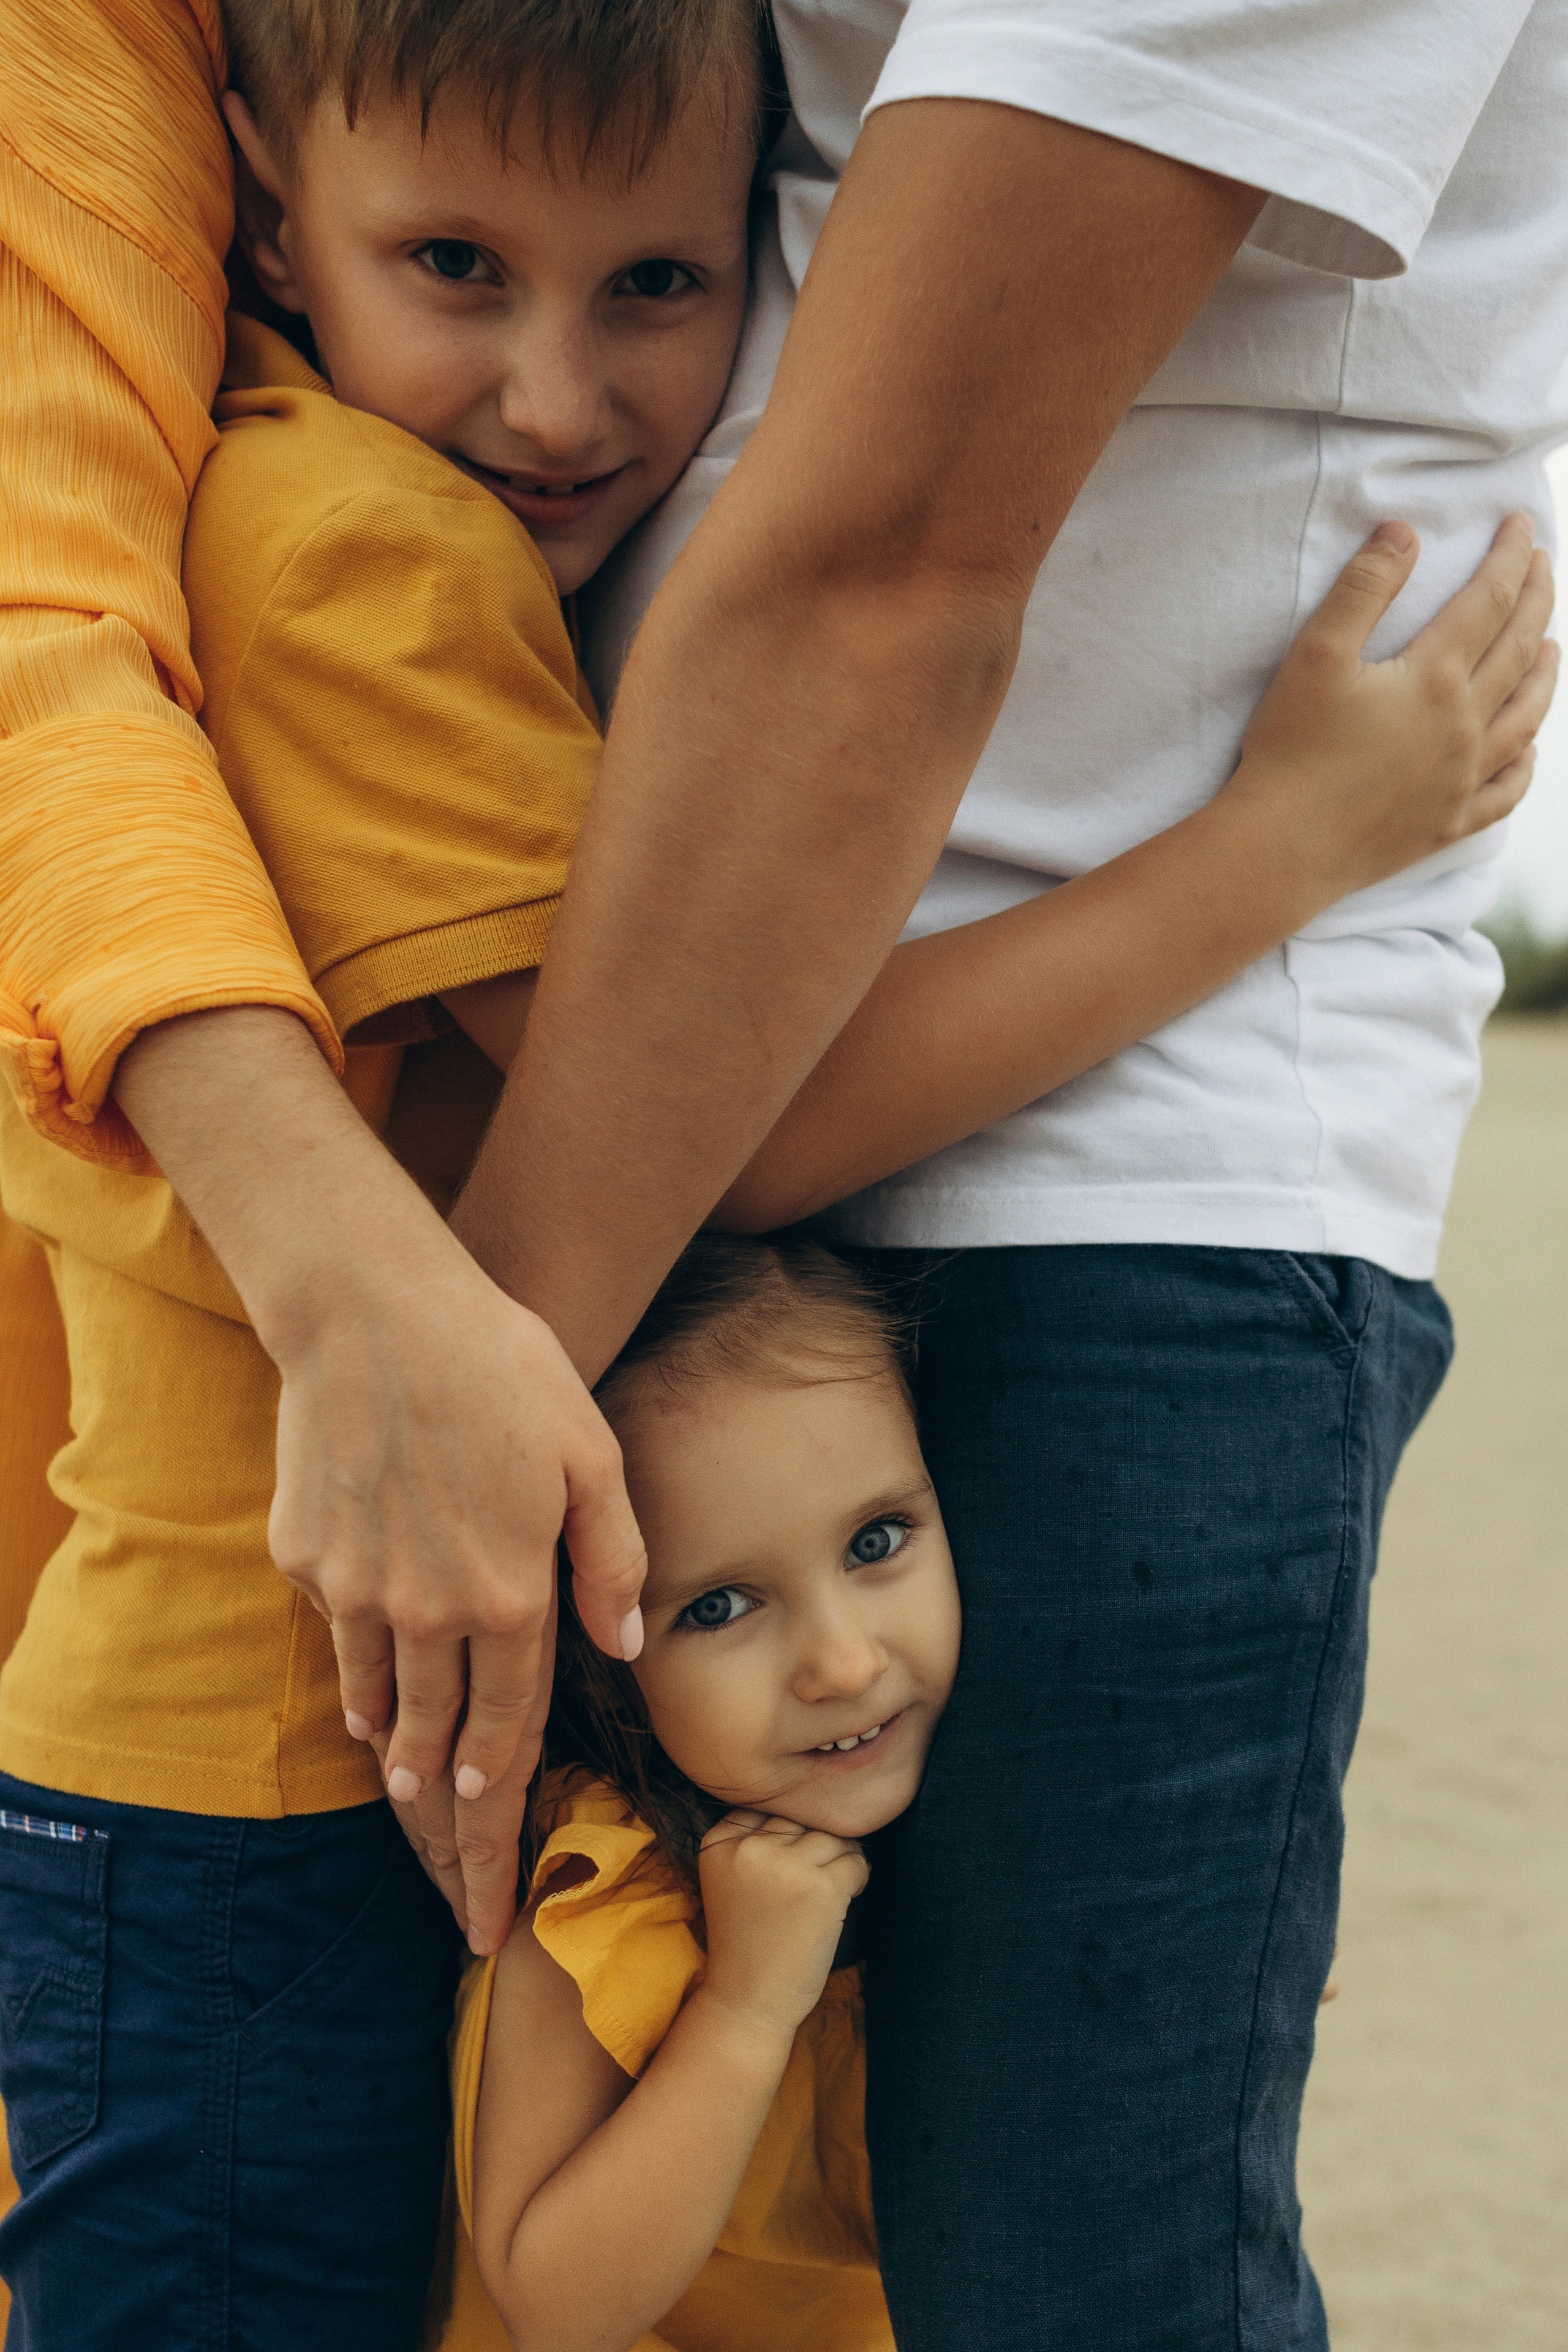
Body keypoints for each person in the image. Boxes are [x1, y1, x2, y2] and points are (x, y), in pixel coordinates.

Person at [1, 0, 1563, 2341]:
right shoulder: (357, 562)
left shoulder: (411, 532)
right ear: (268, 209)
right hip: (295, 1711)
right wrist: (1286, 844)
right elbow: (765, 1088)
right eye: (459, 269)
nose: (560, 394)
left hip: (367, 1642)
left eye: (666, 282)